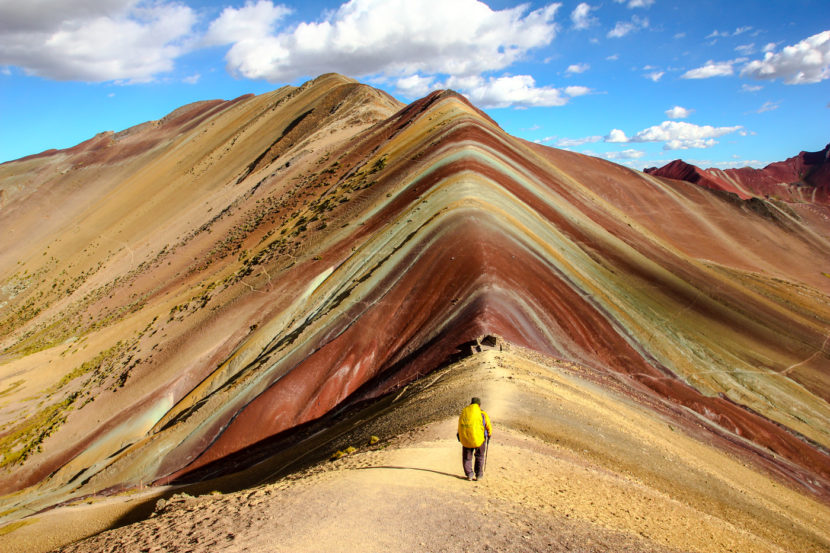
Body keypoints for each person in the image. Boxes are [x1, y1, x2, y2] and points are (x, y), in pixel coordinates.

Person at [456, 397, 492, 481]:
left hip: (466, 438)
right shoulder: (482, 413)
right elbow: (488, 425)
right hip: (479, 439)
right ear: (479, 405)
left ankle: (469, 474)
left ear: (471, 403)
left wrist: (460, 435)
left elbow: (460, 425)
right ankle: (479, 475)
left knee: (467, 457)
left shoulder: (464, 412)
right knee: (480, 456)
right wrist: (489, 434)